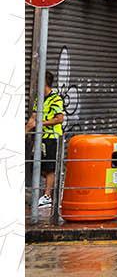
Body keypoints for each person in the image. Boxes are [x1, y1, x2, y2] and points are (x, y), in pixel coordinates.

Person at [26, 71, 65, 209]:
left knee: (49, 168)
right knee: (38, 166)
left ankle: (47, 196)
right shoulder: (40, 98)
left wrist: (39, 123)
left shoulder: (56, 99)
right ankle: (51, 188)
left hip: (52, 138)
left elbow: (59, 119)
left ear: (44, 82)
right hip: (40, 138)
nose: (36, 85)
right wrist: (25, 130)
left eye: (38, 82)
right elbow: (33, 117)